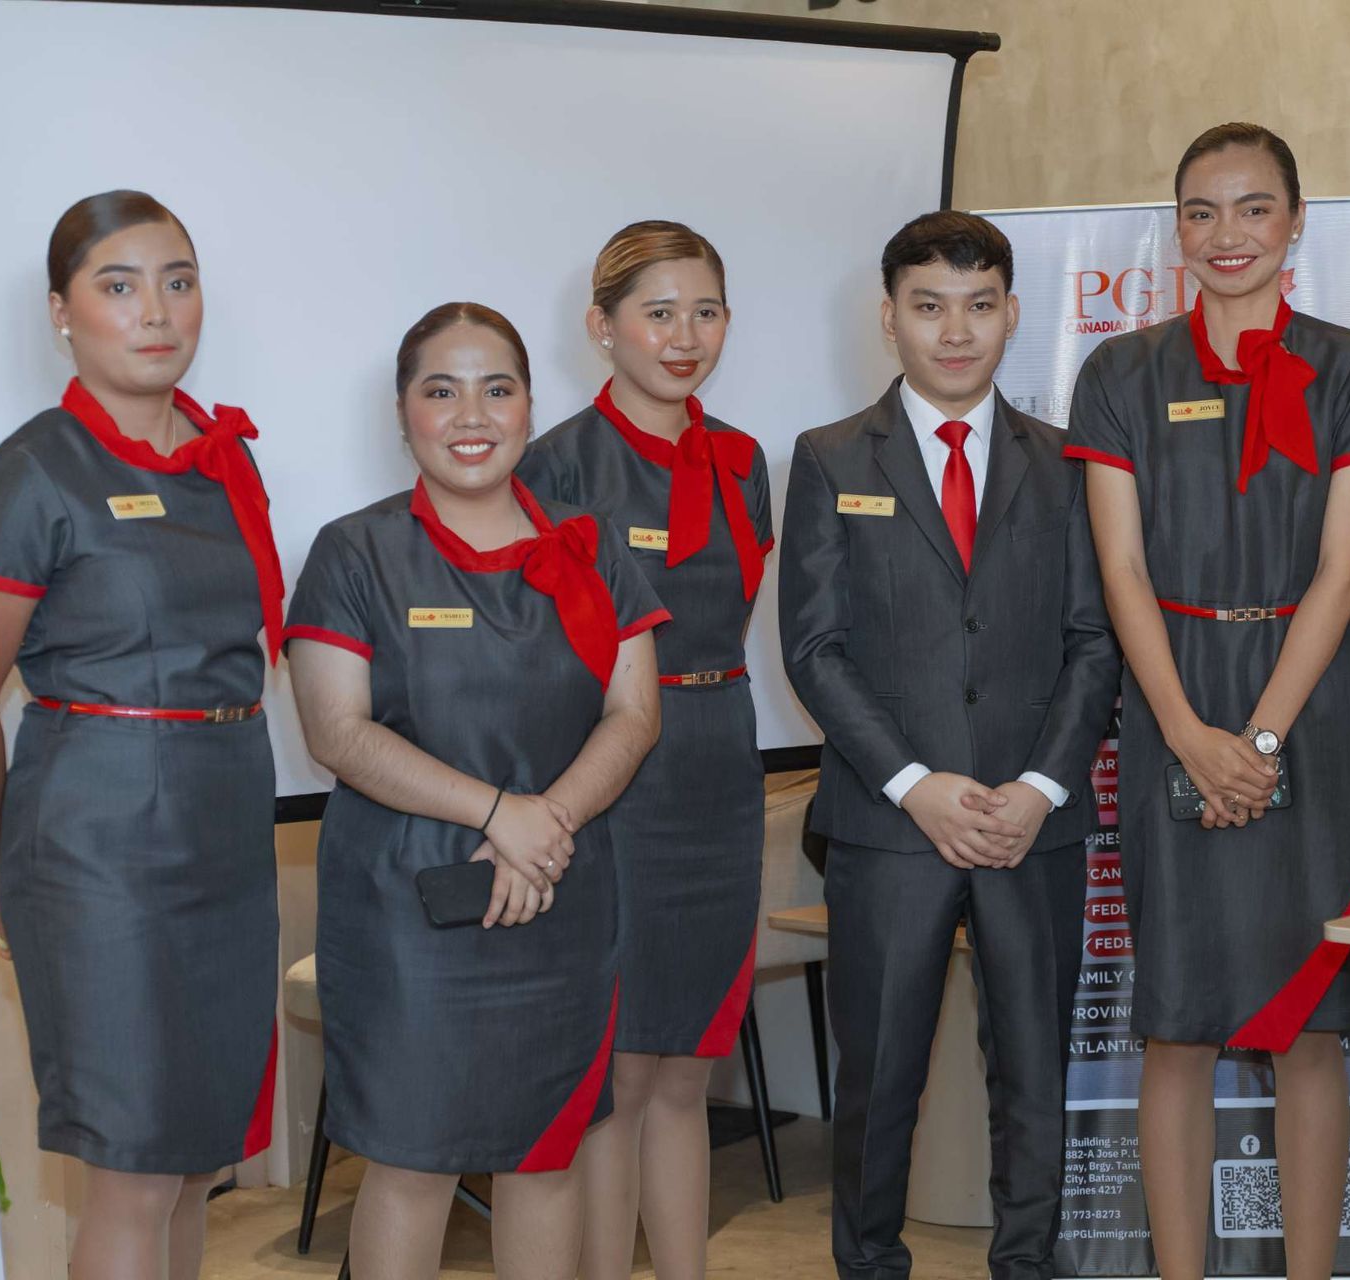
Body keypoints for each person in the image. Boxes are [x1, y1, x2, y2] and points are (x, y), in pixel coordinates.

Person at [1066, 123, 1350, 1280]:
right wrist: (1187, 734)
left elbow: (1342, 572)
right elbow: (1119, 571)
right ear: (1178, 229)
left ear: (1295, 222)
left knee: (1312, 1030)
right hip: (1170, 699)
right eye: (1202, 212)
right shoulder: (1120, 371)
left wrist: (1254, 738)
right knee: (1178, 1026)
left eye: (1254, 209)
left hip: (1302, 714)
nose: (1228, 235)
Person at [0, 191, 280, 1280]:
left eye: (178, 280)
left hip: (226, 828)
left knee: (189, 1164)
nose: (157, 310)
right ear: (61, 311)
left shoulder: (227, 461)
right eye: (119, 285)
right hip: (96, 844)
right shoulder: (30, 472)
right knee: (132, 1165)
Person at [284, 303, 664, 1279]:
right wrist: (503, 813)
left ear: (532, 403)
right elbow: (339, 732)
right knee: (412, 1160)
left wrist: (548, 824)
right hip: (408, 910)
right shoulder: (354, 551)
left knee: (542, 1158)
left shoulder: (589, 549)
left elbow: (633, 714)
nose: (471, 412)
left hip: (563, 892)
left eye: (497, 386)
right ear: (402, 408)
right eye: (440, 388)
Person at [779, 210, 1120, 1280]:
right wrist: (917, 783)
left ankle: (1031, 1263)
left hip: (1037, 824)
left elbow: (1095, 640)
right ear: (891, 320)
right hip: (889, 827)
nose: (956, 331)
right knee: (879, 1081)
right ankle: (869, 1263)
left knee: (1032, 1072)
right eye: (929, 307)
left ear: (1012, 313)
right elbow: (815, 648)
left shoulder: (1069, 462)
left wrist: (1042, 785)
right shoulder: (832, 457)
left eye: (979, 306)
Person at [518, 220, 771, 1280]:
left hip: (718, 758)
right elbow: (538, 648)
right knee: (617, 1075)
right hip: (613, 771)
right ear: (602, 326)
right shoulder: (557, 463)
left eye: (704, 311)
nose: (684, 335)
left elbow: (741, 603)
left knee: (686, 1071)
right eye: (658, 312)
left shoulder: (746, 458)